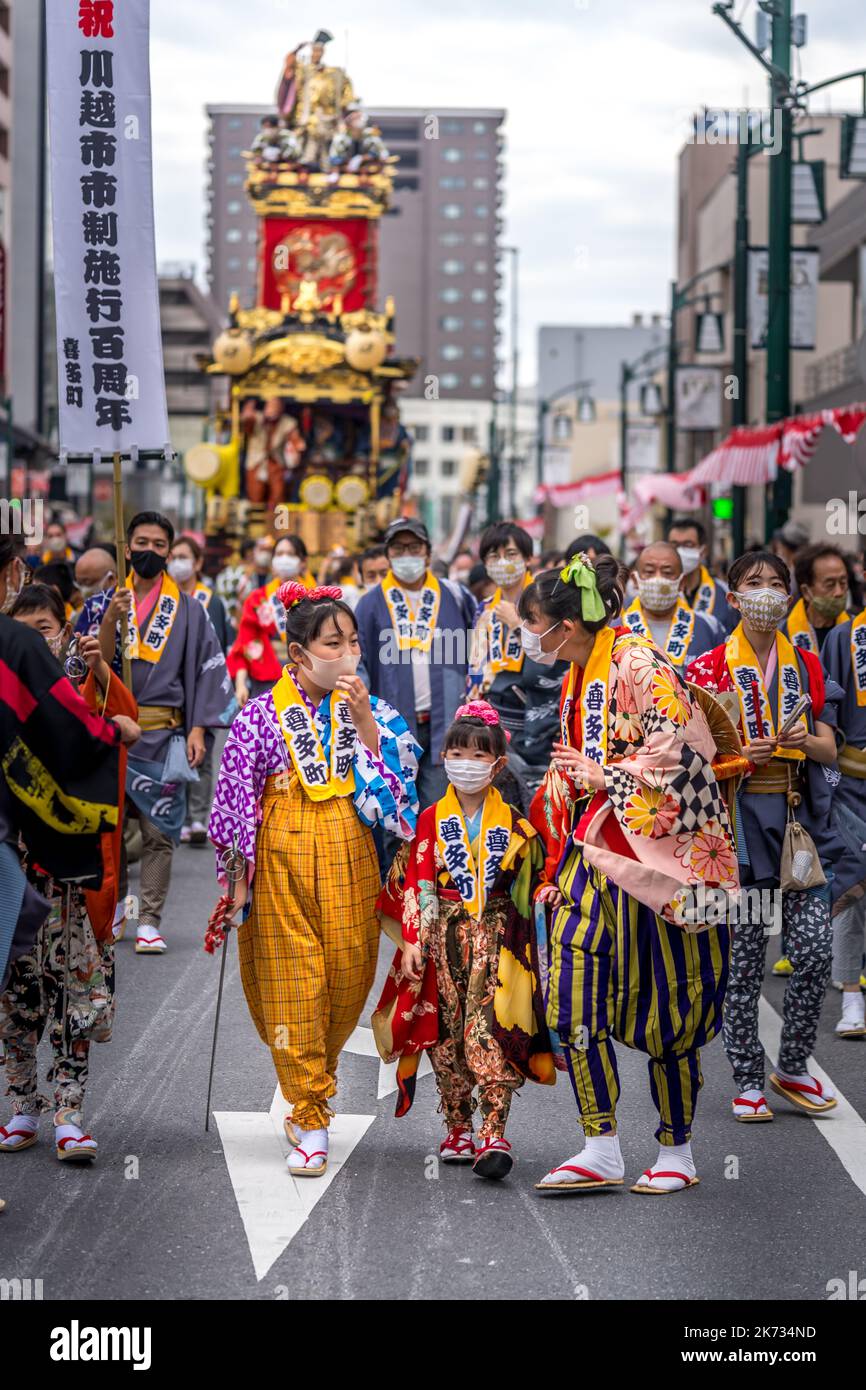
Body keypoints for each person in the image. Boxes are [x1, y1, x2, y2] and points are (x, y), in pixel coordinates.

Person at [525, 554, 737, 1195]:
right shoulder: (580, 669)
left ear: (566, 624)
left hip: (652, 858)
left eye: (535, 625)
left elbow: (686, 751)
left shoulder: (637, 661)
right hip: (592, 854)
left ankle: (678, 1150)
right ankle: (600, 1144)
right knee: (574, 992)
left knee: (670, 999)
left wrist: (607, 776)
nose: (531, 639)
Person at [209, 582, 419, 1176]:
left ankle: (313, 1083)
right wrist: (236, 884)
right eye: (334, 643)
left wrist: (366, 730)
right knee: (293, 980)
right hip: (278, 863)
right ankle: (310, 1111)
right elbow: (234, 803)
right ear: (299, 654)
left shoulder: (373, 713)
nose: (348, 653)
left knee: (346, 979)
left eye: (354, 641)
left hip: (350, 858)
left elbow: (399, 807)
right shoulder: (259, 717)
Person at [687, 550, 854, 1121]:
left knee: (812, 950)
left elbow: (831, 747)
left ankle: (793, 1065)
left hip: (797, 824)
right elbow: (690, 759)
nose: (767, 593)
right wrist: (738, 757)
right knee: (745, 962)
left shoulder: (804, 664)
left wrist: (802, 740)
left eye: (776, 584)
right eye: (754, 584)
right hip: (738, 828)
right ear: (731, 597)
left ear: (790, 597)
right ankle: (748, 1078)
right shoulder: (708, 668)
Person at [372, 701, 553, 1180]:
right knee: (447, 1032)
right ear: (444, 758)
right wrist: (413, 940)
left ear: (496, 764)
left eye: (477, 756)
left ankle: (494, 1130)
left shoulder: (515, 824)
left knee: (490, 1027)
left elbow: (531, 885)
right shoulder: (432, 819)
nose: (465, 763)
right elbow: (420, 882)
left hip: (496, 938)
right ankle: (458, 1125)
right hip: (443, 936)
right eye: (456, 753)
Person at [1, 583, 139, 1163]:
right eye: (26, 627)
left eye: (47, 628)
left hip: (74, 881)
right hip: (15, 869)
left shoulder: (77, 689)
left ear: (63, 631)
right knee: (15, 995)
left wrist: (104, 653)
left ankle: (69, 1110)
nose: (38, 637)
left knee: (74, 995)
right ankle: (22, 1103)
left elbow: (117, 720)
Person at [82, 512, 235, 955]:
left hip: (164, 731)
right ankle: (119, 911)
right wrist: (111, 619)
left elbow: (209, 667)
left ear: (169, 552)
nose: (149, 551)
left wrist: (199, 729)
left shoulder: (190, 610)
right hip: (111, 729)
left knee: (159, 831)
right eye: (141, 542)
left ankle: (149, 918)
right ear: (126, 548)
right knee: (111, 831)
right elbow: (93, 665)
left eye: (159, 544)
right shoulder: (103, 603)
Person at [355, 517, 476, 829]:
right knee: (394, 817)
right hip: (392, 731)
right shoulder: (369, 604)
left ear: (427, 552)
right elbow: (359, 661)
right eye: (398, 547)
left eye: (414, 547)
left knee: (437, 815)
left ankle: (432, 878)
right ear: (389, 553)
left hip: (446, 725)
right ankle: (394, 879)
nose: (406, 553)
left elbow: (478, 648)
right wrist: (366, 715)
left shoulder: (456, 596)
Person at [467, 524, 566, 795]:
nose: (502, 563)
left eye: (510, 554)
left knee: (537, 798)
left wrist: (518, 624)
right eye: (493, 557)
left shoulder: (547, 601)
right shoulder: (485, 607)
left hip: (536, 720)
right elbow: (476, 664)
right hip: (495, 714)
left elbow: (557, 656)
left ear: (528, 558)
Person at [168, 536, 231, 847]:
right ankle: (177, 816)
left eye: (183, 556)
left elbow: (220, 647)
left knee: (202, 754)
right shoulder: (164, 599)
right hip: (172, 685)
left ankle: (197, 818)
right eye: (173, 556)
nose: (177, 562)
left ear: (197, 563)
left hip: (202, 684)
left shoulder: (211, 600)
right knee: (174, 749)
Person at [822, 602, 866, 1037]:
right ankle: (851, 996)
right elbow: (828, 708)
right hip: (853, 783)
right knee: (852, 885)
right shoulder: (844, 636)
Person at [228, 536, 316, 709]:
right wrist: (240, 684)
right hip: (266, 680)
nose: (284, 558)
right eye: (279, 553)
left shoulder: (316, 599)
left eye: (290, 554)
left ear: (303, 562)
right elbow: (244, 644)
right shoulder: (257, 598)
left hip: (309, 681)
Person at [623, 541, 720, 668]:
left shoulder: (709, 627)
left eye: (667, 573)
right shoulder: (617, 629)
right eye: (649, 571)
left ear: (682, 582)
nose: (658, 579)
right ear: (635, 580)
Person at [666, 516, 736, 637]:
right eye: (674, 545)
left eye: (688, 544)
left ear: (703, 551)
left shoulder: (725, 594)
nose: (680, 551)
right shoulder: (657, 592)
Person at [782, 543, 854, 655]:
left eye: (843, 583)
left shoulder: (857, 631)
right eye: (830, 584)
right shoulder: (782, 634)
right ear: (806, 591)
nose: (839, 592)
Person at [242, 398, 306, 510]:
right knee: (255, 493)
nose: (272, 409)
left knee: (278, 493)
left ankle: (278, 523)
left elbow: (294, 438)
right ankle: (256, 518)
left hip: (275, 462)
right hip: (256, 461)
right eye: (270, 406)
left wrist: (297, 445)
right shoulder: (257, 418)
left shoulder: (287, 422)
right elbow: (247, 426)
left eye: (276, 406)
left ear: (281, 409)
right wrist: (247, 415)